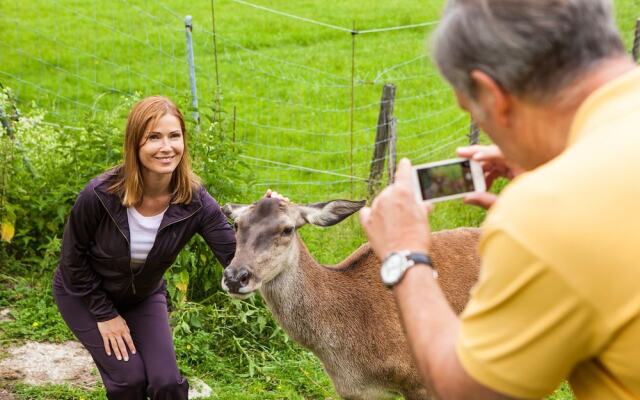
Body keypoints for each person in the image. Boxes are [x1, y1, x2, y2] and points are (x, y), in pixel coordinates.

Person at [360, 0, 640, 399]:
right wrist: (562, 165)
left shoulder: (548, 212)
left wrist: (404, 257)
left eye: (471, 107)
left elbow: (468, 391)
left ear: (493, 95)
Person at [53, 96, 236, 399]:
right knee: (129, 380)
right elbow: (72, 261)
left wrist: (269, 216)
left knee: (166, 383)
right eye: (154, 137)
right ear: (134, 144)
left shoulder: (195, 200)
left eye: (174, 136)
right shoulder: (99, 194)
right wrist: (105, 315)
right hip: (83, 294)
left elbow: (234, 253)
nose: (166, 147)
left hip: (142, 295)